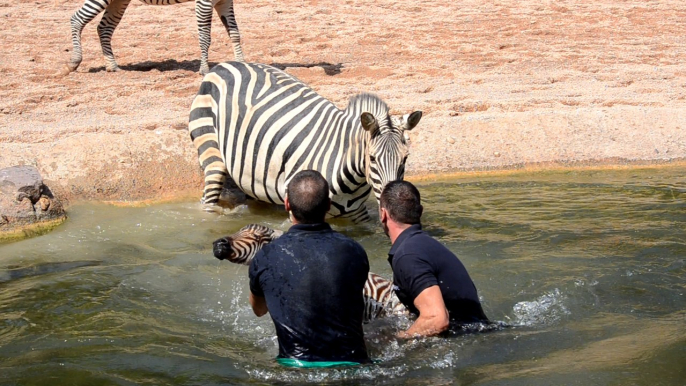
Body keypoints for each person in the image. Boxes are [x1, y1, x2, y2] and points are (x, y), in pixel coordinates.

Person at [248, 170, 371, 366]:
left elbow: (259, 310)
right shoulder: (354, 250)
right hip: (355, 363)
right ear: (328, 205)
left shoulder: (265, 256)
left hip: (295, 368)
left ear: (287, 203)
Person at [379, 180, 489, 338]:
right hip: (479, 335)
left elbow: (437, 320)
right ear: (420, 211)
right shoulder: (425, 245)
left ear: (383, 214)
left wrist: (400, 338)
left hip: (467, 343)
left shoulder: (408, 256)